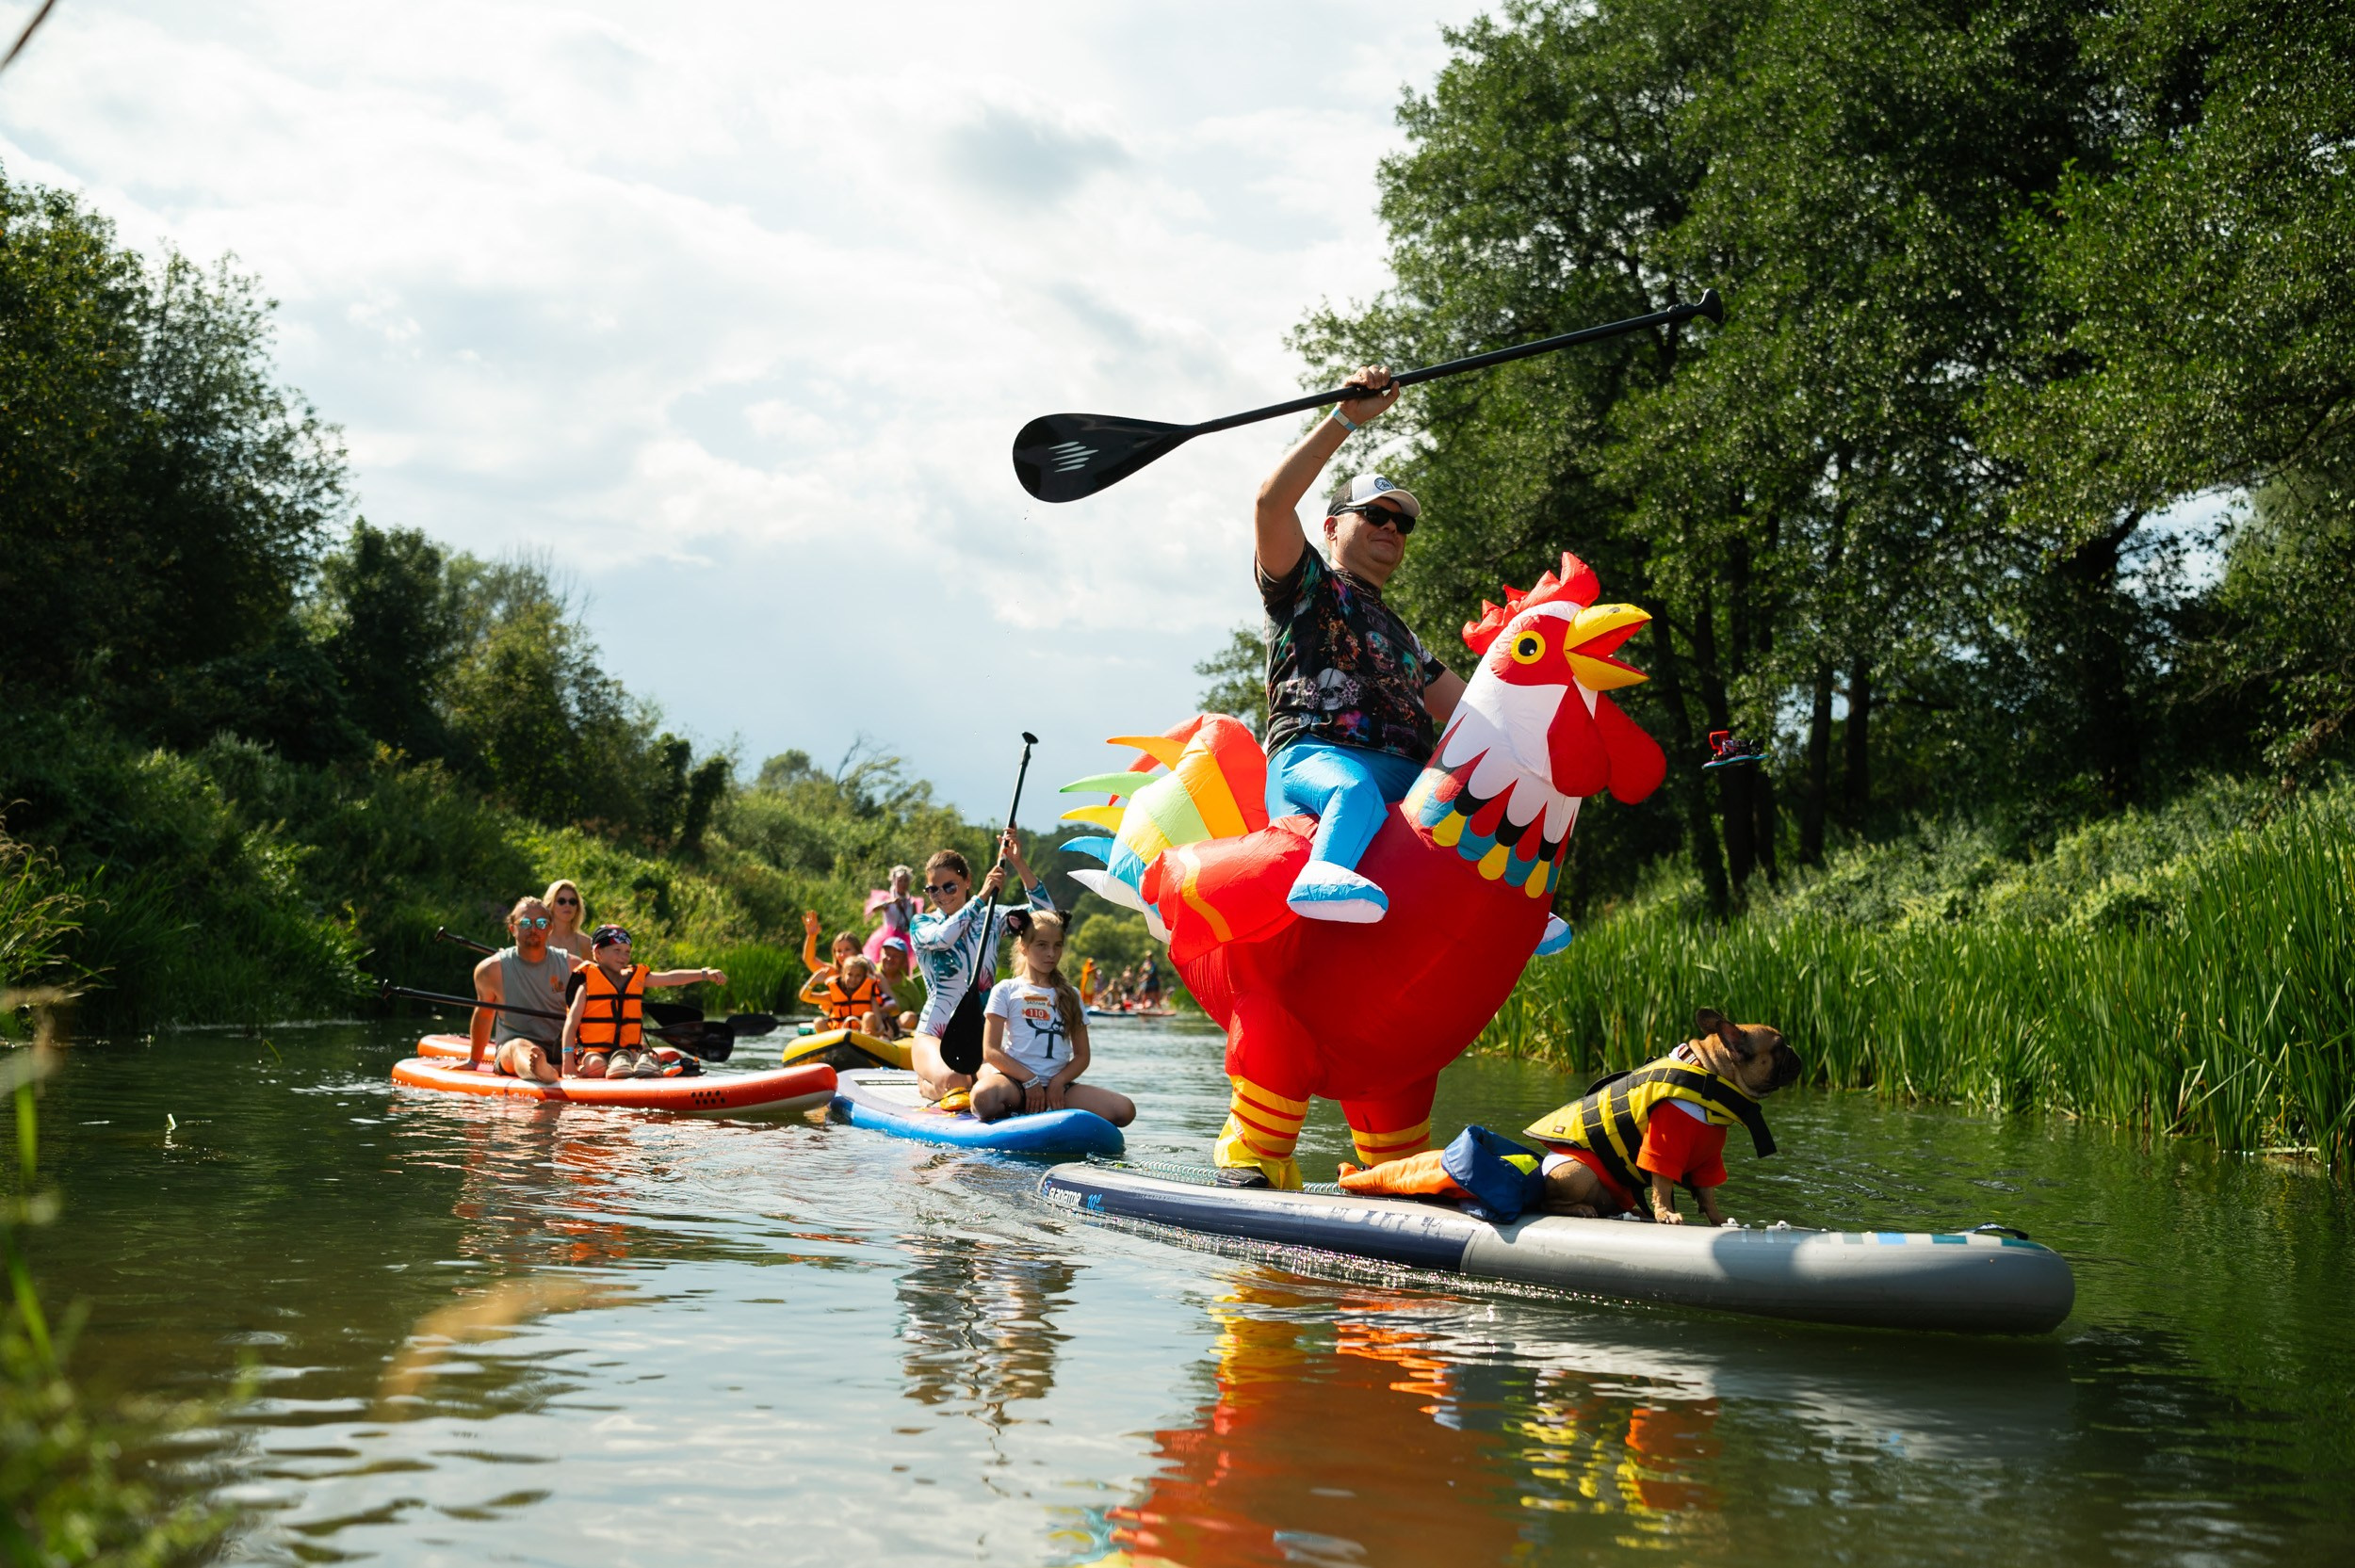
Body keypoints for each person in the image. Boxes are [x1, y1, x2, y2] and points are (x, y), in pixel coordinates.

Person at [1255, 366, 1467, 924]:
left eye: (1402, 524)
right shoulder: (1306, 585)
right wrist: (1345, 419)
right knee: (1353, 791)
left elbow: (1477, 714)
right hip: (1316, 762)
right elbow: (1271, 505)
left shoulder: (1408, 639)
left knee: (1476, 809)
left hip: (1406, 777)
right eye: (1375, 514)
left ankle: (1517, 911)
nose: (1391, 527)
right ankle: (1319, 878)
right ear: (1331, 528)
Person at [909, 831, 1052, 1108]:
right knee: (956, 1080)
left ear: (967, 881)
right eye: (933, 890)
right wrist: (983, 896)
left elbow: (1047, 914)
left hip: (980, 1036)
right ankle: (928, 1083)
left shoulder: (994, 918)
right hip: (933, 1034)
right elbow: (944, 938)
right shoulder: (922, 923)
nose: (941, 895)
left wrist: (1019, 864)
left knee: (1003, 1087)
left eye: (949, 887)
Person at [972, 910, 1135, 1127]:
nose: (1051, 953)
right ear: (1023, 946)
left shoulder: (1071, 995)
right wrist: (1029, 1080)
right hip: (1016, 1084)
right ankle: (1014, 1111)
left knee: (1125, 1110)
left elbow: (1082, 1056)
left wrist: (1059, 1082)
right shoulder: (1006, 990)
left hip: (1059, 1089)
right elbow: (991, 1050)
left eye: (1057, 945)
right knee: (983, 1099)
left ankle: (1048, 1107)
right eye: (1042, 945)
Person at [560, 924, 726, 1079]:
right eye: (617, 950)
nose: (623, 956)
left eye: (627, 951)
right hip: (594, 1052)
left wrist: (704, 974)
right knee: (596, 1066)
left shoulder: (636, 978)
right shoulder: (586, 986)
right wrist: (568, 1062)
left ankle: (634, 1067)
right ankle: (615, 1069)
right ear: (598, 953)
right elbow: (571, 1024)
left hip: (629, 1052)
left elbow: (670, 978)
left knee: (641, 1061)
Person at [467, 895, 571, 1082]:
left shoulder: (572, 966)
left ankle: (553, 1067)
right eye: (525, 923)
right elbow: (484, 1015)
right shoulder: (491, 969)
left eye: (541, 923)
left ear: (550, 928)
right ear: (512, 928)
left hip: (562, 1048)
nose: (533, 929)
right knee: (518, 1046)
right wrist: (473, 1062)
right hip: (514, 1049)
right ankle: (539, 1071)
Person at [801, 951, 888, 1035]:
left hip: (861, 1035)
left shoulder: (870, 995)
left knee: (869, 1016)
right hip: (837, 1035)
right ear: (843, 974)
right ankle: (833, 1045)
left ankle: (864, 1041)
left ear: (864, 977)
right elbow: (804, 997)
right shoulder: (832, 995)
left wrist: (877, 1033)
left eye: (858, 975)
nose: (853, 979)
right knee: (818, 1022)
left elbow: (880, 1026)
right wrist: (812, 982)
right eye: (850, 975)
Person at [862, 865, 924, 964]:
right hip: (888, 935)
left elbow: (913, 924)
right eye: (900, 880)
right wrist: (890, 902)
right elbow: (874, 909)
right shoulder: (887, 899)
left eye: (906, 880)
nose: (903, 884)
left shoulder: (912, 903)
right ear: (894, 881)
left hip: (904, 937)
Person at [543, 879, 593, 963]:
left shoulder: (586, 943)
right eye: (561, 901)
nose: (567, 905)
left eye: (572, 902)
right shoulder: (540, 939)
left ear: (577, 907)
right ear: (550, 904)